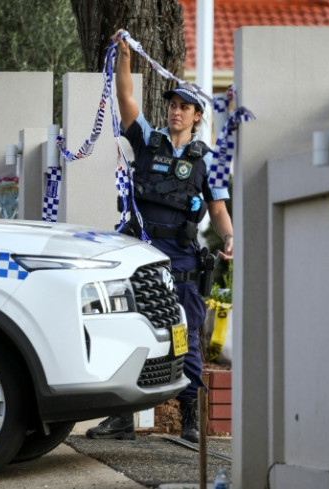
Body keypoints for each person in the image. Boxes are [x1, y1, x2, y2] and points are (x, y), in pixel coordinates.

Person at [86, 33, 234, 443]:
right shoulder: (148, 141)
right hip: (136, 255)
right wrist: (124, 60)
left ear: (197, 115)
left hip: (181, 264)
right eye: (172, 105)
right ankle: (121, 419)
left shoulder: (208, 161)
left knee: (183, 341)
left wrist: (230, 238)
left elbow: (219, 211)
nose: (176, 111)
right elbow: (126, 97)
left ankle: (189, 418)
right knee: (126, 331)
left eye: (184, 107)